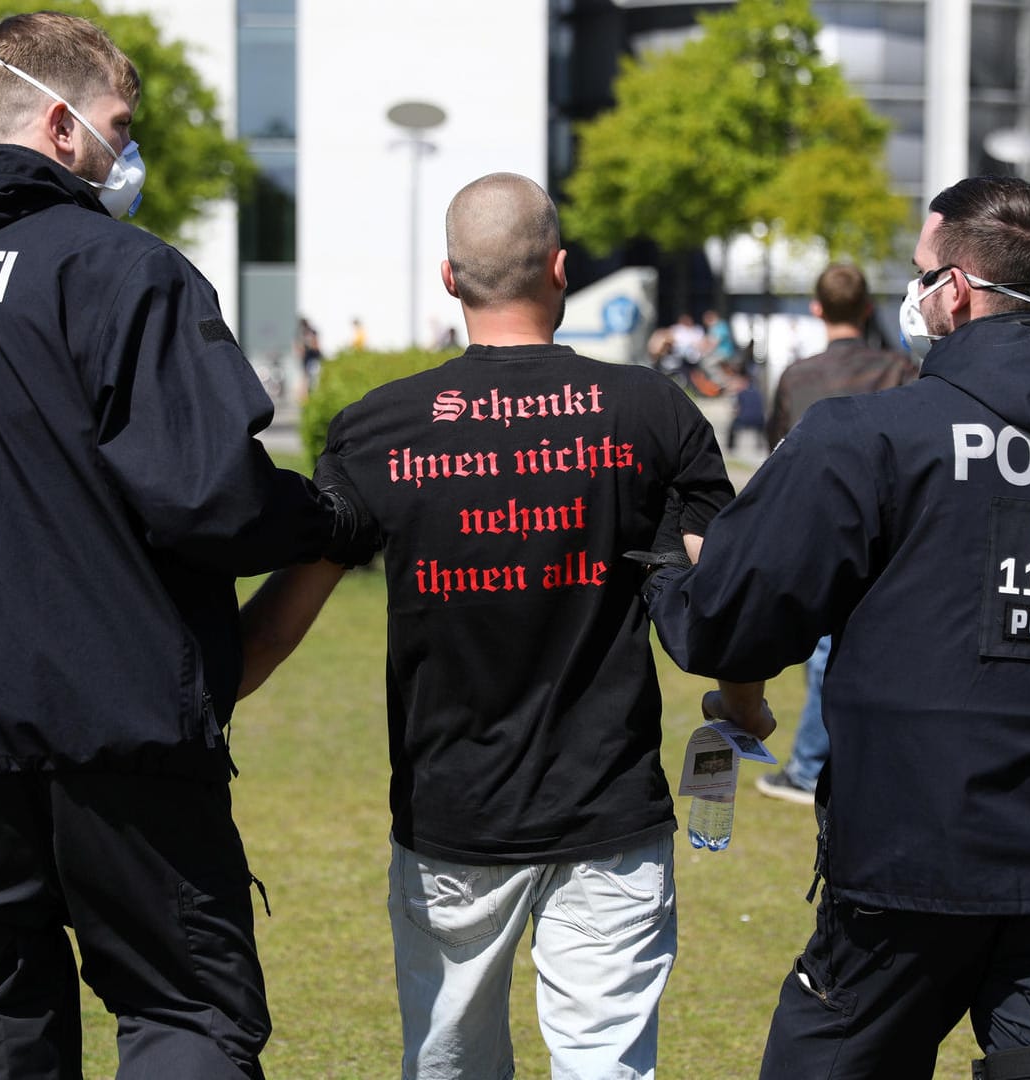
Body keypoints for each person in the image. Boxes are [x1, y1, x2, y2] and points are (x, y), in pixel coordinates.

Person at [0, 14, 370, 1078]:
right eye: (122, 125)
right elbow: (214, 501)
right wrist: (327, 518)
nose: (130, 152)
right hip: (117, 730)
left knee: (2, 1015)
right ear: (63, 124)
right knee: (183, 1012)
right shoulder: (121, 272)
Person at [639, 176, 1030, 1078]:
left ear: (958, 291)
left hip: (905, 869)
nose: (914, 292)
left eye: (920, 272)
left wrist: (668, 569)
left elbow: (730, 621)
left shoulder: (872, 437)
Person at [236, 172, 773, 1080]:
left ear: (450, 280)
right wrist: (742, 705)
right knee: (606, 1066)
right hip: (608, 814)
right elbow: (718, 600)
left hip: (453, 817)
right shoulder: (652, 413)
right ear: (560, 269)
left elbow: (283, 623)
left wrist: (194, 699)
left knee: (450, 1066)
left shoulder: (382, 427)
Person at [754, 261, 918, 805]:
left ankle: (808, 767)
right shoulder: (900, 369)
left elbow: (778, 455)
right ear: (869, 307)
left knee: (825, 652)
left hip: (820, 534)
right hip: (891, 532)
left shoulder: (799, 376)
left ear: (817, 308)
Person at [299, 315, 322, 396]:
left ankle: (312, 395)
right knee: (307, 378)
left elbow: (315, 345)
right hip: (307, 358)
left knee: (313, 379)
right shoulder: (302, 333)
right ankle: (307, 395)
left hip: (313, 358)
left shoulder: (311, 332)